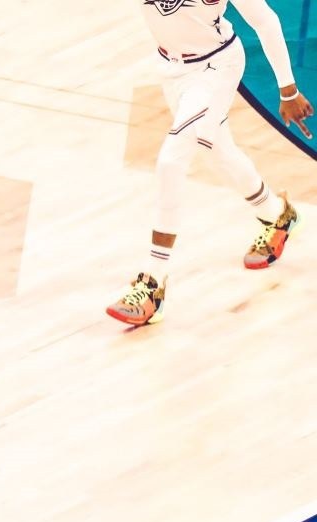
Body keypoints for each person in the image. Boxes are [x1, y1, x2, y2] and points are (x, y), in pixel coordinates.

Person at [106, 0, 313, 326]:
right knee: (218, 149)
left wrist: (288, 91)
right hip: (171, 70)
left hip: (215, 69)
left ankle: (152, 286)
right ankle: (277, 213)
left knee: (171, 162)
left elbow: (265, 20)